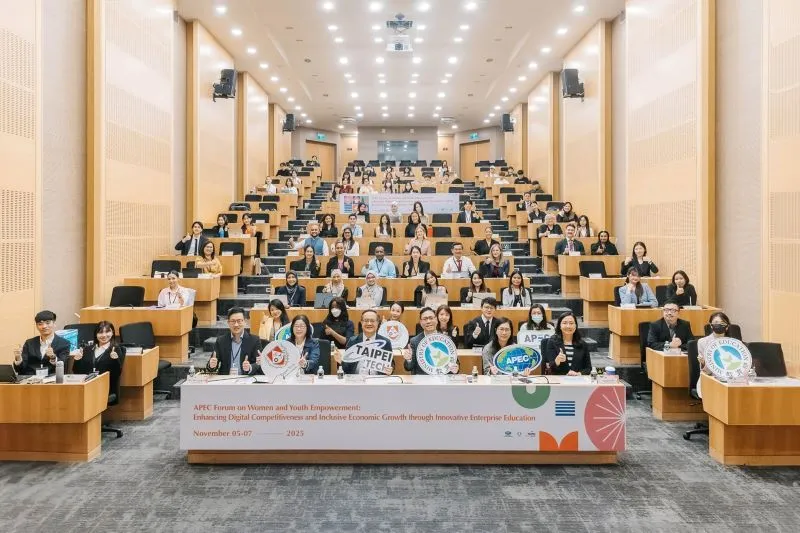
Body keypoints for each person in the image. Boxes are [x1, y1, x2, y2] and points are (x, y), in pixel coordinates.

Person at [12, 310, 70, 375]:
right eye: (40, 324)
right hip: (31, 379)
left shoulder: (64, 343)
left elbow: (64, 366)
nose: (44, 326)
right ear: (37, 326)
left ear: (54, 324)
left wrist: (53, 357)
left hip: (52, 379)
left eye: (47, 323)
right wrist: (18, 358)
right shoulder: (29, 343)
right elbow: (19, 369)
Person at [335, 310, 393, 374]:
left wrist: (390, 369)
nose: (369, 323)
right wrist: (341, 361)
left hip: (378, 378)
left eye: (372, 321)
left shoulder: (385, 342)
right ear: (361, 322)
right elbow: (347, 368)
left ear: (377, 323)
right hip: (357, 378)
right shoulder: (353, 341)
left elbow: (391, 364)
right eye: (366, 320)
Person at [206, 307, 261, 375]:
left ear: (245, 322)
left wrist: (250, 367)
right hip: (226, 379)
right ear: (228, 323)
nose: (236, 324)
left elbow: (258, 364)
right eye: (233, 321)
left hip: (245, 378)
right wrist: (211, 365)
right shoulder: (221, 341)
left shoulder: (254, 340)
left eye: (239, 321)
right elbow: (212, 364)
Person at [403, 307, 459, 375]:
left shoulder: (446, 339)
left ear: (436, 319)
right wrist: (409, 359)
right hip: (422, 379)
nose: (428, 321)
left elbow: (455, 361)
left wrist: (455, 368)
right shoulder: (414, 341)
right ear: (420, 322)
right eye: (425, 319)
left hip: (441, 378)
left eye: (431, 318)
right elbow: (408, 368)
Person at [70, 321, 125, 389]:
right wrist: (77, 361)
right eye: (100, 332)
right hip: (86, 385)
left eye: (107, 332)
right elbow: (77, 373)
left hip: (104, 387)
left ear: (112, 333)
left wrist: (115, 360)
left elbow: (116, 375)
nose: (104, 335)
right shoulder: (87, 349)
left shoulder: (116, 349)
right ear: (96, 334)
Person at [696, 312, 734, 398]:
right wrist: (704, 363)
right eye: (716, 322)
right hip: (710, 379)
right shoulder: (702, 342)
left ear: (727, 326)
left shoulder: (734, 343)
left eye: (722, 323)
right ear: (711, 325)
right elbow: (706, 372)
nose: (719, 325)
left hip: (730, 379)